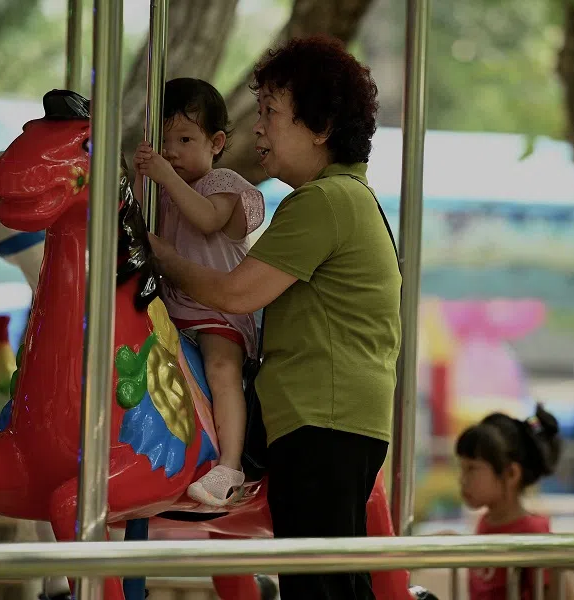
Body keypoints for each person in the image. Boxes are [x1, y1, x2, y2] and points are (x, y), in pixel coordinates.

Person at [148, 35, 400, 599]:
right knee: (330, 584)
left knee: (321, 589)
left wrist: (163, 255)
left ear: (320, 126)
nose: (258, 127)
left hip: (322, 420)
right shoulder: (346, 198)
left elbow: (237, 294)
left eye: (271, 113)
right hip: (325, 417)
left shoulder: (324, 201)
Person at [133, 77, 265, 507]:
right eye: (163, 141)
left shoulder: (222, 184)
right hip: (170, 309)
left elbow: (207, 220)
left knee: (221, 368)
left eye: (185, 139)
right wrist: (139, 180)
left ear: (217, 142)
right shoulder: (163, 190)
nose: (171, 150)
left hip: (216, 309)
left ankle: (229, 466)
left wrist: (165, 176)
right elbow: (136, 227)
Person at [456, 405, 567, 600]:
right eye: (462, 468)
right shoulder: (485, 522)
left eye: (472, 469)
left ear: (511, 474)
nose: (462, 479)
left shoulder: (534, 533)